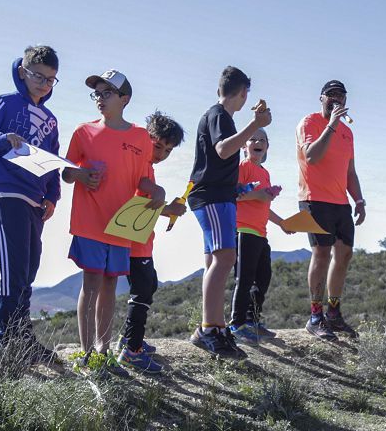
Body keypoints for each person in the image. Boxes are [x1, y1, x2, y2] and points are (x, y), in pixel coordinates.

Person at [63, 69, 165, 377]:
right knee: (91, 283)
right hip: (89, 221)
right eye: (96, 93)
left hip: (120, 226)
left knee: (110, 285)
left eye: (106, 93)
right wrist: (79, 174)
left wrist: (157, 191)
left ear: (125, 99)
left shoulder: (141, 138)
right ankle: (86, 354)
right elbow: (66, 171)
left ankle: (104, 352)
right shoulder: (83, 132)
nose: (100, 99)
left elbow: (143, 181)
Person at [0, 45, 62, 364]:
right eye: (38, 75)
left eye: (51, 79)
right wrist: (2, 138)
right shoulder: (5, 103)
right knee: (11, 273)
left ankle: (24, 340)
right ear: (23, 71)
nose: (44, 83)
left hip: (36, 203)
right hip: (6, 196)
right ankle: (6, 345)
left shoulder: (50, 119)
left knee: (28, 271)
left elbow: (52, 162)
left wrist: (52, 196)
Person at [188, 66, 271, 358]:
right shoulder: (219, 115)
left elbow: (218, 160)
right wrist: (255, 124)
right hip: (211, 197)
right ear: (243, 93)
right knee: (224, 257)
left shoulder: (218, 116)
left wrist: (241, 190)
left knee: (215, 259)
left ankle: (213, 327)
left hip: (220, 195)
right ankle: (211, 329)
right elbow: (223, 150)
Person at [115, 111, 188, 373]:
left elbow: (145, 205)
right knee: (143, 291)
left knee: (148, 286)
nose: (161, 154)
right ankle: (131, 350)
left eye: (167, 150)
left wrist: (168, 208)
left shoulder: (146, 166)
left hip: (141, 240)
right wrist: (167, 207)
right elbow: (135, 202)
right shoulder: (139, 164)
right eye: (158, 146)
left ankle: (130, 340)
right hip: (134, 242)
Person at [296, 80, 365, 341]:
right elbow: (312, 156)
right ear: (321, 98)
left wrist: (359, 200)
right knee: (321, 253)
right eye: (331, 95)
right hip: (314, 198)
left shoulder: (348, 133)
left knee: (344, 254)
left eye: (341, 96)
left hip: (340, 202)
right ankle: (315, 315)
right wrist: (332, 125)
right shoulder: (309, 123)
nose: (336, 100)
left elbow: (350, 171)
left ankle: (333, 313)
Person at [228, 128, 292, 344]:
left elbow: (262, 204)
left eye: (262, 140)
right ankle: (236, 324)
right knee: (244, 279)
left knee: (263, 278)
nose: (258, 142)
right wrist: (260, 194)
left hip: (260, 233)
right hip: (243, 230)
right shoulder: (242, 167)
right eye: (253, 139)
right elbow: (233, 194)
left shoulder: (264, 173)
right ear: (244, 146)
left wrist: (282, 223)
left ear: (267, 146)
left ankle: (252, 321)